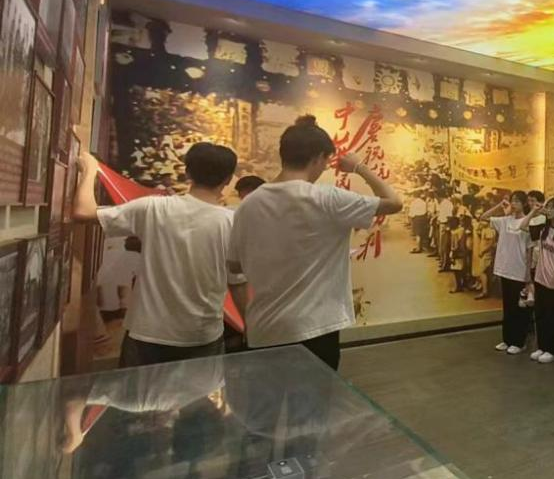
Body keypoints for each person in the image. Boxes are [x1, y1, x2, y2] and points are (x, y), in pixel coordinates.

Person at [227, 116, 402, 370]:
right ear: (318, 157)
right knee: (315, 396)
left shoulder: (249, 204)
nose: (324, 169)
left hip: (263, 328)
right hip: (314, 328)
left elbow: (234, 266)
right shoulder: (327, 198)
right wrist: (359, 167)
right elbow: (394, 202)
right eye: (326, 162)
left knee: (270, 396)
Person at [73, 144, 248, 368]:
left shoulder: (153, 208)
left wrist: (90, 170)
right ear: (228, 179)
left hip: (146, 333)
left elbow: (82, 212)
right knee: (198, 393)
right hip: (201, 336)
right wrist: (248, 326)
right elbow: (238, 283)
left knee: (137, 391)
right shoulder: (232, 223)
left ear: (188, 172)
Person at [481, 191, 535, 354]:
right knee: (507, 306)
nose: (514, 204)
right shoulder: (504, 221)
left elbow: (529, 250)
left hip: (519, 270)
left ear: (524, 204)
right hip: (505, 269)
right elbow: (483, 217)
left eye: (518, 201)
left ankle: (519, 342)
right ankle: (507, 339)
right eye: (512, 201)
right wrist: (500, 205)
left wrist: (528, 273)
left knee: (519, 307)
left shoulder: (528, 223)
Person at [525, 196, 554, 363]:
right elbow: (523, 226)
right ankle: (542, 346)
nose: (549, 210)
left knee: (553, 317)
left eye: (552, 207)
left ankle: (553, 349)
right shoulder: (543, 229)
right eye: (548, 207)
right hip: (540, 277)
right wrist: (535, 211)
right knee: (541, 314)